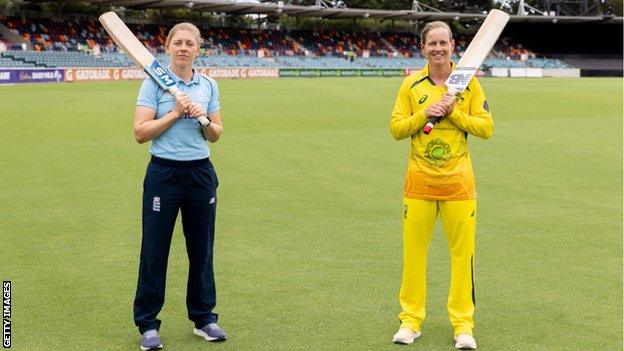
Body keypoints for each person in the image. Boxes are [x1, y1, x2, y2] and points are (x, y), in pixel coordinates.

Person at [389, 21, 493, 350]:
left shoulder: (470, 85)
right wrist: (425, 114)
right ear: (423, 48)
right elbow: (396, 128)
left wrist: (454, 114)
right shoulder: (411, 85)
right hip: (418, 184)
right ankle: (410, 321)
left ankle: (463, 325)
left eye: (443, 42)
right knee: (414, 256)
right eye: (431, 43)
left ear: (452, 45)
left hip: (459, 186)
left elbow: (486, 127)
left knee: (463, 257)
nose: (438, 48)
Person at [132, 22, 227, 350]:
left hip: (200, 174)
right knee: (155, 251)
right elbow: (140, 133)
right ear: (168, 47)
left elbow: (217, 133)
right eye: (178, 42)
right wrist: (175, 113)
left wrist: (204, 122)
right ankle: (148, 325)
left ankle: (204, 318)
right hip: (164, 175)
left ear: (198, 49)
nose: (184, 47)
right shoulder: (153, 84)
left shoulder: (208, 85)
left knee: (202, 249)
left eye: (190, 43)